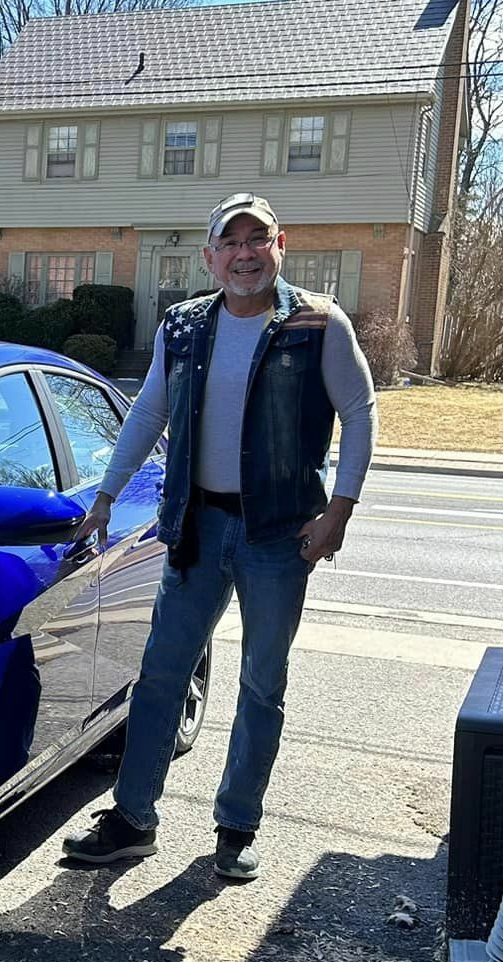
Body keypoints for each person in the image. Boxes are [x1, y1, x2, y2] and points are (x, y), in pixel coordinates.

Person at [61, 192, 377, 880]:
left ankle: (237, 826)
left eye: (256, 239)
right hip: (197, 527)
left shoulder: (318, 324)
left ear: (279, 246)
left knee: (262, 683)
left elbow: (359, 411)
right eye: (230, 243)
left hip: (278, 534)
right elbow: (148, 412)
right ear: (210, 257)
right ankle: (132, 819)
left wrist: (339, 512)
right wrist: (106, 495)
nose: (244, 254)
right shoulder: (183, 326)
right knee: (161, 673)